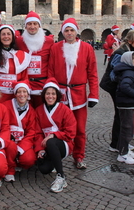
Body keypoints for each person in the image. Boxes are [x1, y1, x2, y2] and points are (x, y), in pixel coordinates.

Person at [48, 18, 99, 169]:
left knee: (80, 129)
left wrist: (94, 94)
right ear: (62, 32)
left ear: (76, 31)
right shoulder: (56, 48)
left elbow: (93, 73)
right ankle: (56, 156)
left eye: (71, 30)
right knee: (57, 127)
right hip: (60, 93)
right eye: (66, 30)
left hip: (79, 95)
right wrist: (51, 92)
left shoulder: (87, 48)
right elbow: (50, 71)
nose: (69, 33)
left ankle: (78, 156)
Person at [100, 30, 134, 153]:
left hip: (120, 86)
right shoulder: (121, 53)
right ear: (130, 41)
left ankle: (120, 142)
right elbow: (114, 72)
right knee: (121, 115)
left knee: (122, 115)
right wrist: (125, 83)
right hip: (115, 86)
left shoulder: (128, 51)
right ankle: (117, 144)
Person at [34, 78, 76, 193]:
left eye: (53, 93)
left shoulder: (65, 110)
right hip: (46, 145)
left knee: (51, 142)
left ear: (57, 95)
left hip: (64, 144)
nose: (50, 96)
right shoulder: (38, 110)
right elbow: (37, 133)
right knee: (43, 169)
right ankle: (52, 162)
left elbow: (71, 132)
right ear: (44, 95)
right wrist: (40, 149)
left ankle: (61, 177)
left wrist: (54, 135)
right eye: (47, 93)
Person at [16, 11, 54, 108]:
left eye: (35, 24)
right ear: (25, 26)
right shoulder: (19, 41)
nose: (32, 26)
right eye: (29, 24)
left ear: (39, 26)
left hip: (42, 84)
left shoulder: (48, 41)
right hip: (25, 84)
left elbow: (53, 63)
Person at [0, 24, 31, 103]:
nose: (6, 36)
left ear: (13, 37)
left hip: (16, 96)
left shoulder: (22, 55)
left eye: (8, 34)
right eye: (3, 34)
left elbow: (25, 78)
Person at [113, 51, 134, 164]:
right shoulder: (129, 72)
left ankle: (125, 150)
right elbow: (124, 86)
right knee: (127, 129)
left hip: (127, 103)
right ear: (129, 61)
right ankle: (123, 154)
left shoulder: (129, 71)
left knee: (128, 128)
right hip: (126, 104)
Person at [2, 81, 36, 182]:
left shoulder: (31, 111)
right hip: (8, 140)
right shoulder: (5, 106)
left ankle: (18, 163)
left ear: (28, 94)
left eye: (24, 92)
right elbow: (2, 125)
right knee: (10, 148)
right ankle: (10, 170)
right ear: (15, 94)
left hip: (22, 141)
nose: (22, 94)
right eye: (19, 92)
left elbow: (32, 132)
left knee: (29, 159)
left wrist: (21, 147)